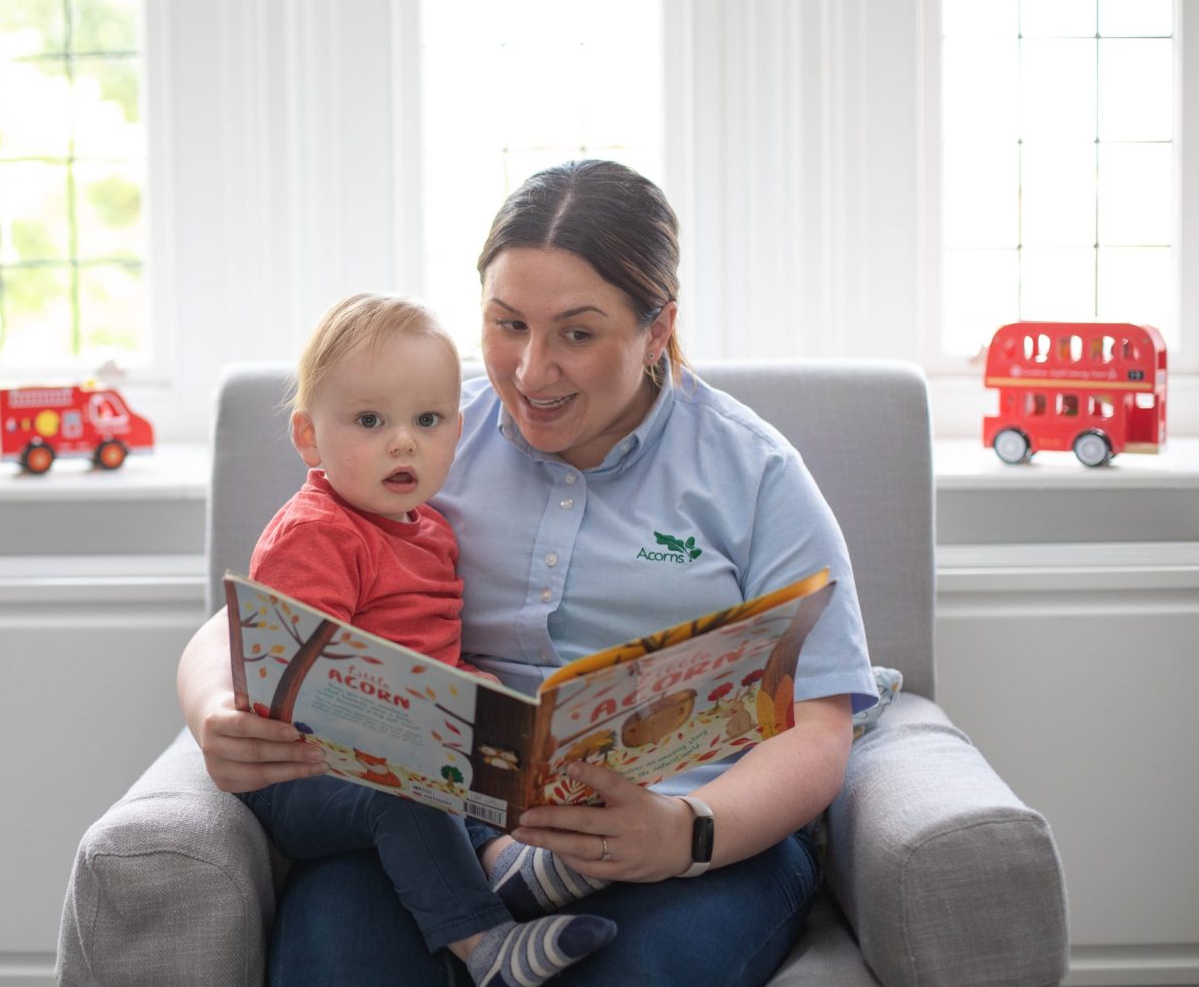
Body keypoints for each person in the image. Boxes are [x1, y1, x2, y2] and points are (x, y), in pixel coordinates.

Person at [178, 160, 879, 987]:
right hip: (433, 823)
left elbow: (821, 723)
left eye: (576, 334)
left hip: (690, 837)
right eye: (508, 324)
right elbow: (264, 612)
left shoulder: (753, 472)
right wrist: (214, 709)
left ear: (658, 330)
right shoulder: (423, 434)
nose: (530, 370)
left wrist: (686, 829)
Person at [234, 293, 618, 987]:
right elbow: (300, 681)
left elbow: (431, 654)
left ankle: (508, 860)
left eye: (428, 420)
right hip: (302, 776)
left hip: (401, 757)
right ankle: (486, 943)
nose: (403, 440)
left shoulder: (429, 529)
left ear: (456, 431)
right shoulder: (316, 532)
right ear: (309, 437)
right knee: (410, 788)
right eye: (371, 420)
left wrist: (478, 695)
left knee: (490, 761)